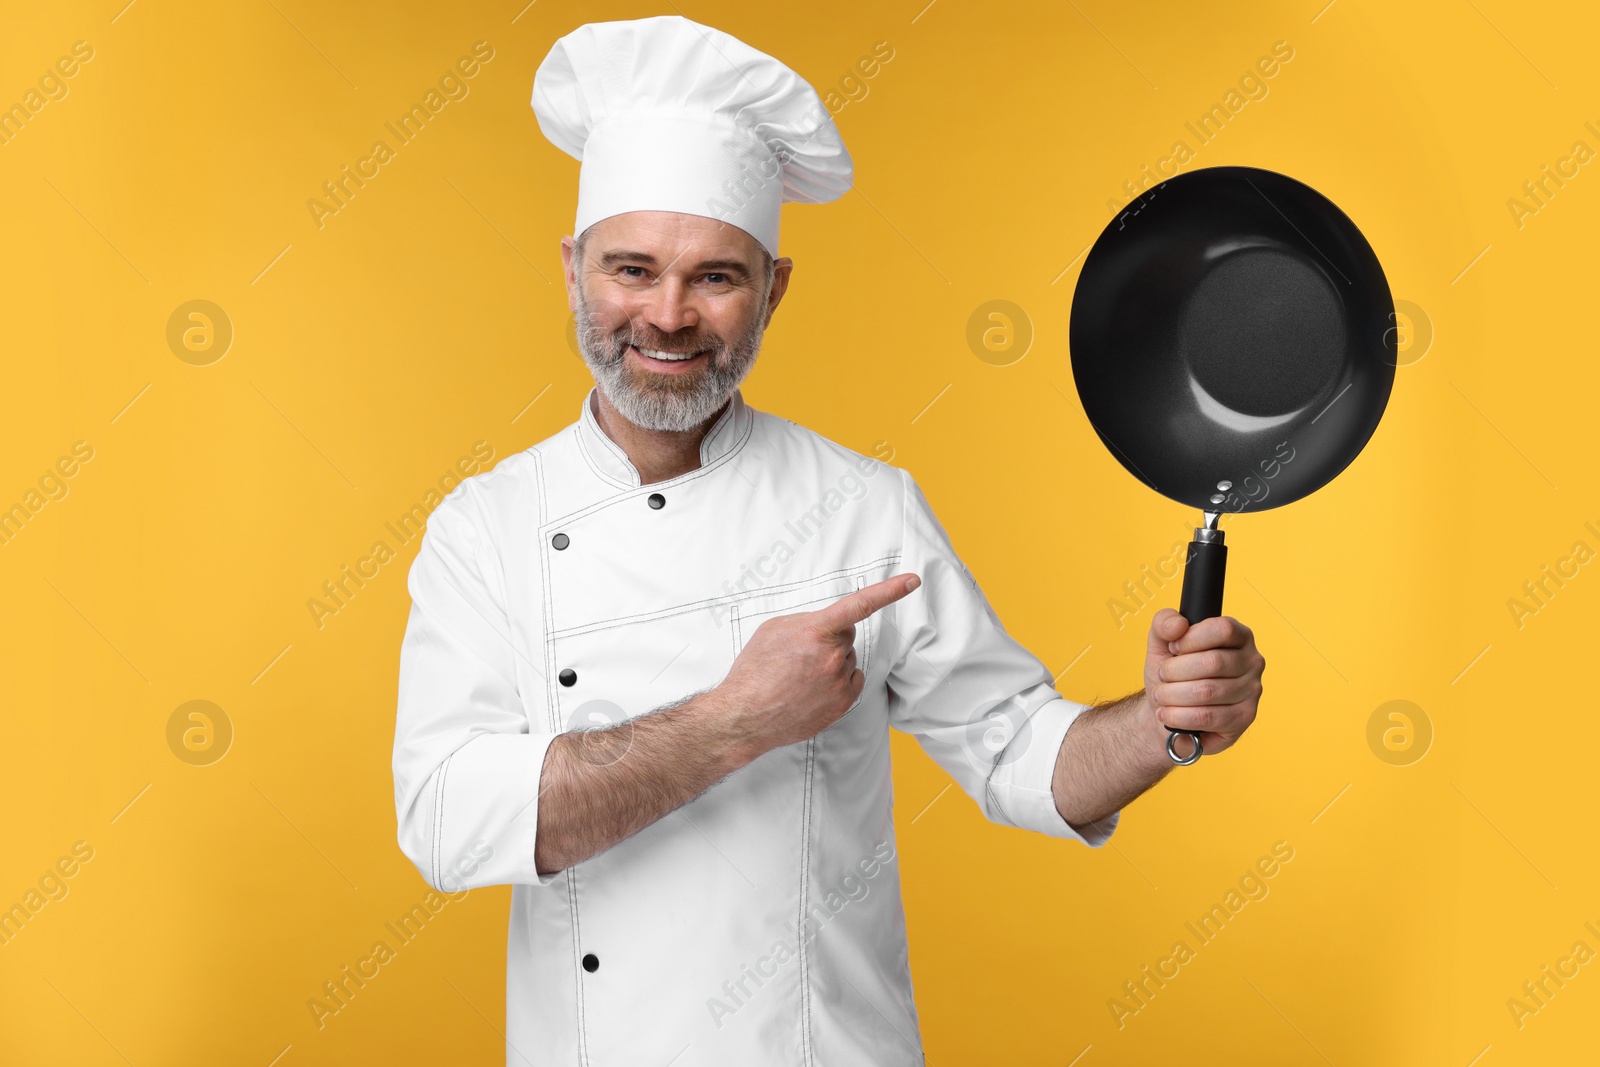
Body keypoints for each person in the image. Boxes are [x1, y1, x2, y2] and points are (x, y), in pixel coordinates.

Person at [391, 15, 1265, 1065]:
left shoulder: (861, 504)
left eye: (716, 276)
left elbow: (1018, 753)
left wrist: (1162, 723)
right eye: (631, 268)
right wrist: (736, 718)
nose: (667, 316)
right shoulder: (486, 529)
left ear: (775, 289)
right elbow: (445, 821)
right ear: (573, 270)